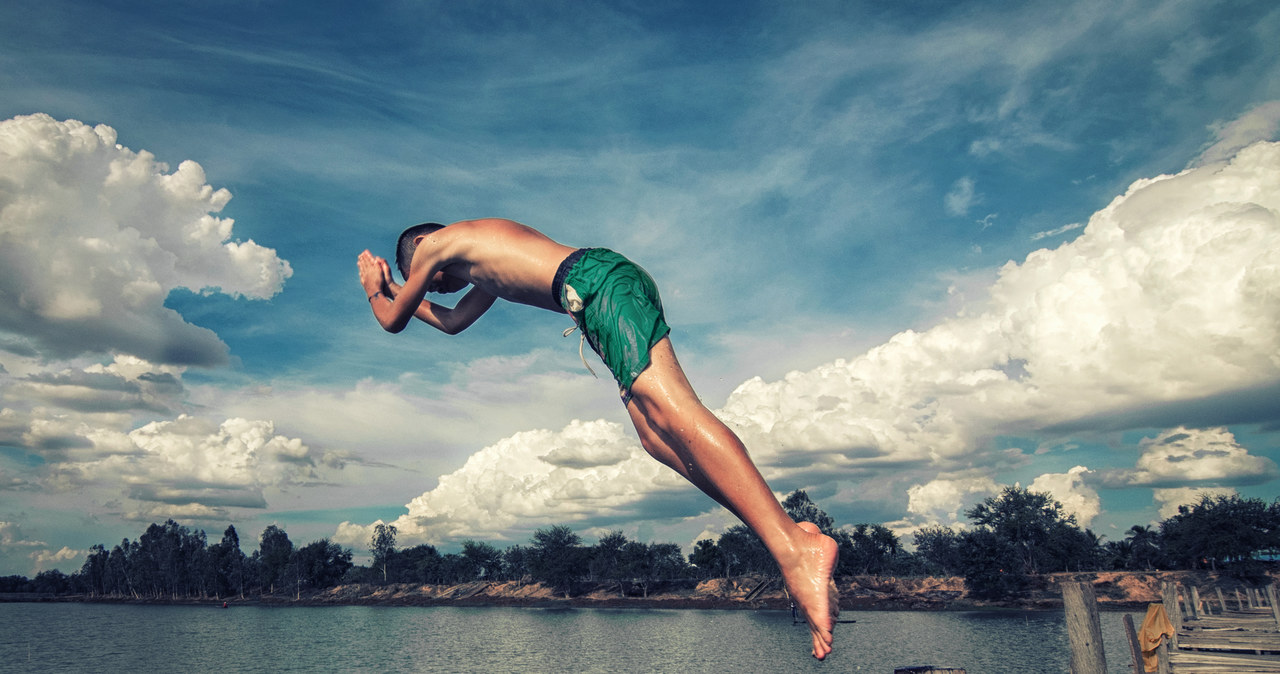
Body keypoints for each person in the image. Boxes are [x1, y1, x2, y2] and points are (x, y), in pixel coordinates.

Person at [357, 218, 839, 659]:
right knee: (655, 437)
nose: (438, 285)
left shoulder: (439, 243)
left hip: (596, 283)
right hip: (595, 295)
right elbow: (453, 322)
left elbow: (392, 319)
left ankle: (795, 551)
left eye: (429, 278)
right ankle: (791, 536)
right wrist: (398, 289)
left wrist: (377, 290)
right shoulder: (483, 268)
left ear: (419, 246)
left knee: (676, 413)